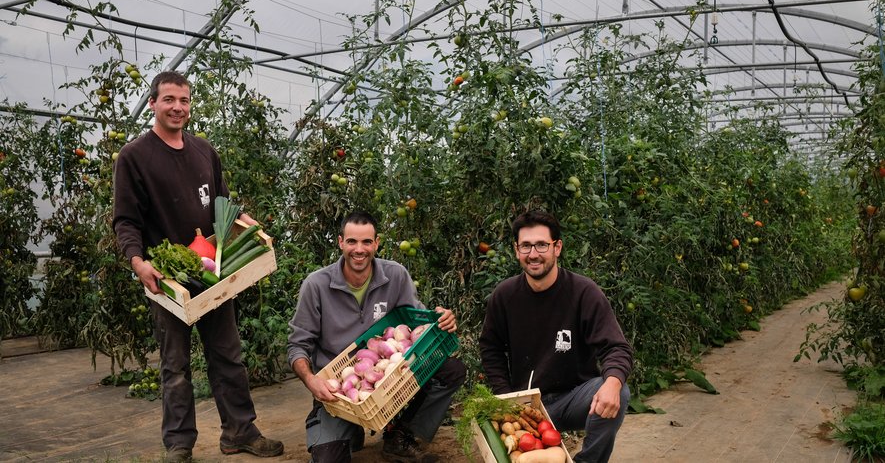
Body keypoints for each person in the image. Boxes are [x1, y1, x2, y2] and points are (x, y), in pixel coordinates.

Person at [113, 71, 283, 462]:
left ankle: (239, 432)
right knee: (175, 364)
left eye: (185, 100)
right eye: (169, 99)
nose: (178, 107)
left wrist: (245, 222)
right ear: (153, 103)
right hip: (168, 279)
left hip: (211, 271)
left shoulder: (204, 151)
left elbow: (222, 204)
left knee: (228, 354)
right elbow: (126, 220)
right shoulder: (135, 157)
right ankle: (179, 444)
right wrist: (139, 263)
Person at [287, 211, 466, 463]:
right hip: (338, 390)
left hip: (391, 377)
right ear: (340, 242)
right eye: (351, 242)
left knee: (450, 370)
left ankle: (400, 436)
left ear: (377, 242)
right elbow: (297, 345)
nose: (359, 250)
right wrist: (310, 380)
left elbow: (415, 325)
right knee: (328, 459)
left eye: (366, 242)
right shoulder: (316, 285)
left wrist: (439, 319)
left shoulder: (395, 275)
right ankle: (344, 428)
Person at [479, 209, 633, 463]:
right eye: (526, 246)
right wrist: (505, 396)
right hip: (526, 404)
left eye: (541, 244)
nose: (534, 254)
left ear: (557, 247)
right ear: (517, 250)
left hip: (574, 397)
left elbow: (616, 347)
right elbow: (490, 347)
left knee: (619, 389)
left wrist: (613, 382)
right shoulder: (505, 296)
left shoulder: (584, 292)